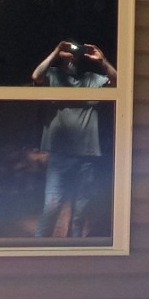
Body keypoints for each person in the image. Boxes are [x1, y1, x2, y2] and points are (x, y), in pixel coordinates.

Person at [30, 39, 116, 238]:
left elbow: (120, 83)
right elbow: (36, 75)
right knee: (52, 206)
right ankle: (37, 252)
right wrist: (56, 50)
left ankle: (76, 253)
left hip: (87, 155)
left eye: (76, 51)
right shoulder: (53, 76)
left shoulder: (91, 79)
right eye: (68, 50)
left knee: (80, 211)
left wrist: (103, 61)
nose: (73, 54)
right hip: (60, 154)